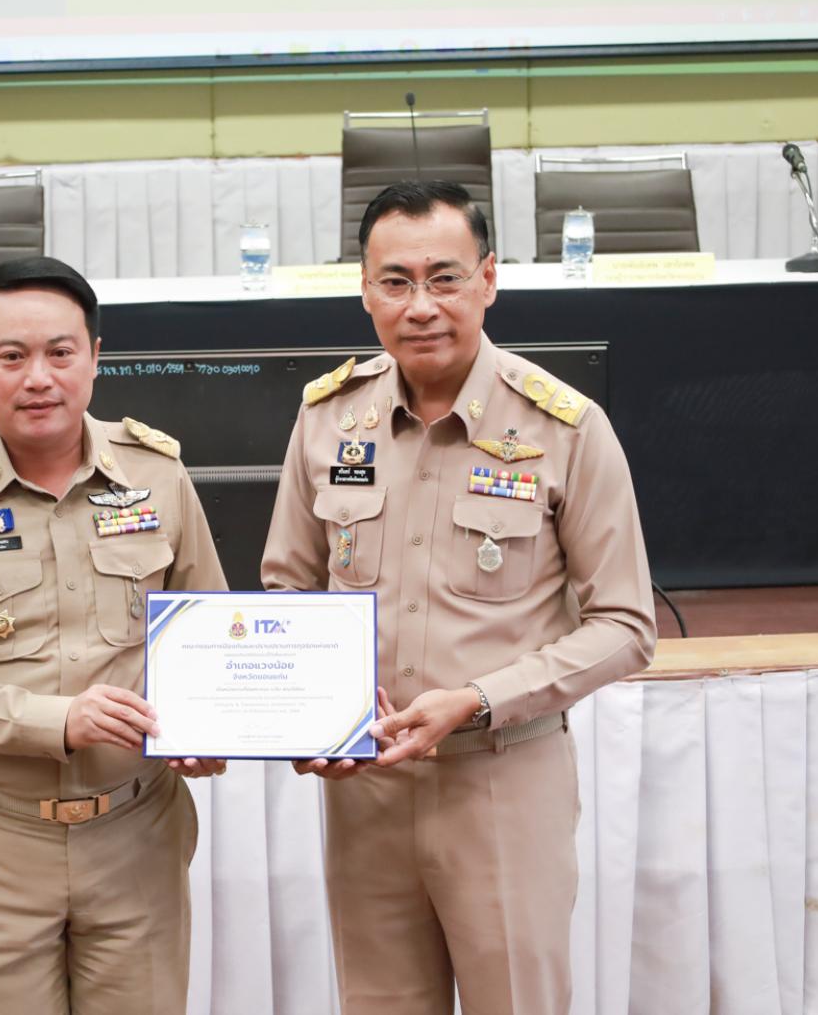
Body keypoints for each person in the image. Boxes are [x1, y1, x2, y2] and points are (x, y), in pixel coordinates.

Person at [260, 181, 656, 1014]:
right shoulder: (327, 419)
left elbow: (626, 626)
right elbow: (288, 587)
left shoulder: (565, 427)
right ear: (365, 290)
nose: (421, 306)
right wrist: (301, 714)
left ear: (489, 279)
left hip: (502, 780)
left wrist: (478, 700)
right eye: (395, 282)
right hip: (366, 791)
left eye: (444, 278)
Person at [0, 256, 229, 1013]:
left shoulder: (158, 474)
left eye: (60, 353)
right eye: (12, 356)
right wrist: (58, 721)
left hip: (137, 833)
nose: (38, 378)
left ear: (94, 357)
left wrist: (211, 727)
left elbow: (212, 633)